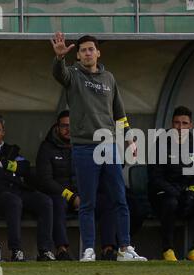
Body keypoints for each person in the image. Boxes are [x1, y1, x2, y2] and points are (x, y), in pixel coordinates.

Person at [51, 32, 147, 262]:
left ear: (98, 52)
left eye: (90, 49)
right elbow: (59, 73)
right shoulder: (72, 75)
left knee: (119, 199)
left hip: (110, 146)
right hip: (84, 147)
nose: (87, 53)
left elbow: (119, 114)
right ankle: (88, 251)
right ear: (79, 55)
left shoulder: (109, 78)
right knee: (88, 202)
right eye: (82, 50)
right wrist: (59, 58)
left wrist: (130, 138)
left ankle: (125, 248)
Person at [36, 110, 118, 260]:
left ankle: (108, 249)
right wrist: (72, 197)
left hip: (85, 194)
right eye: (64, 126)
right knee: (57, 203)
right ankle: (62, 250)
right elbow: (45, 180)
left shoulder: (87, 145)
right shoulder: (47, 147)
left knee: (107, 201)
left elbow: (99, 174)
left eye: (71, 126)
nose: (68, 130)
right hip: (61, 194)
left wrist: (86, 195)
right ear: (57, 127)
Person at [148, 106, 194, 261]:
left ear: (191, 125)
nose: (180, 127)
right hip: (164, 196)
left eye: (184, 123)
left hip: (185, 196)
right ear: (172, 124)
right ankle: (168, 250)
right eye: (177, 123)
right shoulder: (161, 143)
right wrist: (175, 192)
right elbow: (155, 177)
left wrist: (191, 193)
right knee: (170, 202)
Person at [0, 114, 55, 262]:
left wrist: (4, 165)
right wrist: (10, 169)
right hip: (1, 194)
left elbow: (25, 167)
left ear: (3, 132)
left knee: (45, 201)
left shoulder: (11, 150)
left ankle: (45, 250)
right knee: (13, 201)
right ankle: (16, 250)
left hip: (18, 189)